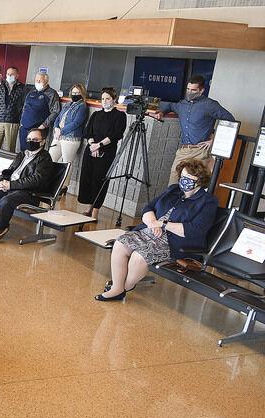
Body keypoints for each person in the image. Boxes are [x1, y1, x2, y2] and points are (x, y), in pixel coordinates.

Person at [96, 159, 218, 302]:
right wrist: (153, 223)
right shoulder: (173, 190)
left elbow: (196, 230)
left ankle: (124, 288)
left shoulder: (207, 201)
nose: (184, 181)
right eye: (183, 177)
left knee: (139, 255)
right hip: (150, 230)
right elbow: (148, 208)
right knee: (120, 244)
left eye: (189, 179)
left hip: (175, 242)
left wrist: (163, 224)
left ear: (200, 181)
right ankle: (117, 287)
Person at [0, 128, 55, 243]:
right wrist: (0, 182)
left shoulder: (44, 158)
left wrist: (11, 185)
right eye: (29, 139)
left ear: (42, 141)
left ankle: (1, 227)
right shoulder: (22, 154)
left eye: (35, 139)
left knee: (5, 201)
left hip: (28, 193)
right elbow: (9, 170)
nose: (30, 141)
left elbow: (36, 180)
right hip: (11, 188)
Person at [152, 75, 234, 184]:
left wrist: (214, 139)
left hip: (200, 151)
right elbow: (171, 106)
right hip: (184, 150)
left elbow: (231, 121)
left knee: (192, 184)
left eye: (193, 90)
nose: (190, 92)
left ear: (201, 90)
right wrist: (162, 112)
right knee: (173, 181)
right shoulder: (182, 104)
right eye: (188, 89)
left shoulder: (210, 105)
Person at [77, 87, 127, 219]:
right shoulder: (96, 115)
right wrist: (92, 145)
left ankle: (95, 212)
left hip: (106, 151)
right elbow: (88, 132)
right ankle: (88, 207)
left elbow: (115, 134)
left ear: (114, 99)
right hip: (91, 149)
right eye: (103, 99)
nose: (104, 101)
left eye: (108, 99)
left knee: (99, 180)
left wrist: (99, 145)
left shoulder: (120, 115)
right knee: (88, 178)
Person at [19, 72, 60, 152]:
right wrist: (21, 122)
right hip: (24, 128)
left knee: (35, 152)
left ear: (46, 81)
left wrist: (44, 125)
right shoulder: (31, 92)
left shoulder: (52, 94)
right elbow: (25, 107)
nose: (37, 82)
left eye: (39, 80)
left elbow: (55, 112)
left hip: (38, 130)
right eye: (36, 80)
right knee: (23, 152)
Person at [49, 83, 88, 164]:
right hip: (58, 136)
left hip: (70, 138)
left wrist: (61, 131)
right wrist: (56, 128)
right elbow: (58, 118)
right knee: (50, 159)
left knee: (66, 164)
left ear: (82, 93)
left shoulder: (82, 106)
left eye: (77, 93)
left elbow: (76, 123)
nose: (75, 95)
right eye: (73, 93)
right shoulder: (67, 104)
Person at [0, 66, 25, 153]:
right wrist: (0, 112)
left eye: (12, 74)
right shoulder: (1, 87)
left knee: (10, 148)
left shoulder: (22, 88)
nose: (9, 76)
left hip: (13, 121)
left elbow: (23, 105)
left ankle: (10, 165)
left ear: (17, 75)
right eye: (8, 74)